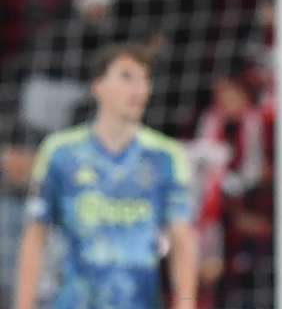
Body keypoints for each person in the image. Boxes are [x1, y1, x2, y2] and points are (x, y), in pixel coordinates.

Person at [14, 43, 197, 309]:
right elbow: (35, 234)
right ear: (97, 86)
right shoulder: (60, 152)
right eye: (126, 77)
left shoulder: (166, 156)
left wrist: (186, 304)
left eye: (145, 79)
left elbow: (182, 240)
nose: (139, 89)